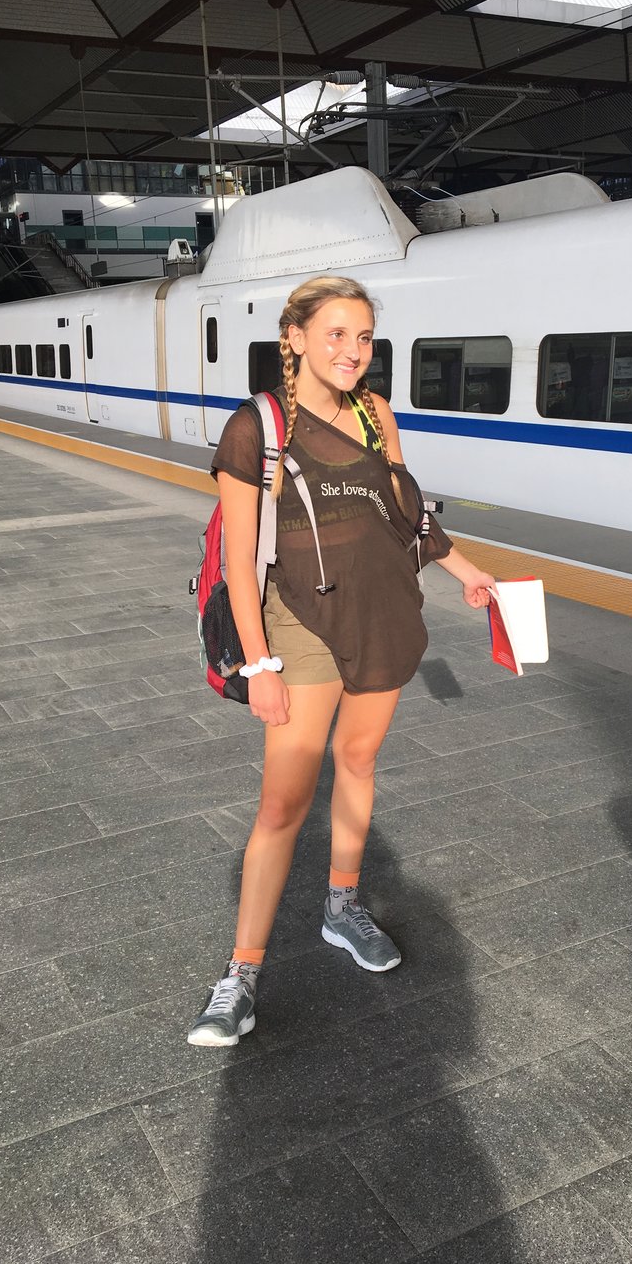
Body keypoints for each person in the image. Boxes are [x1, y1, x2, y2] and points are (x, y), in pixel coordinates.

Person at [187, 275, 495, 1047]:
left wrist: (468, 573)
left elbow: (407, 516)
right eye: (336, 334)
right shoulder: (257, 427)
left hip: (381, 614)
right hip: (301, 625)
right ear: (294, 337)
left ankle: (342, 907)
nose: (353, 351)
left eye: (364, 337)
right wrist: (259, 665)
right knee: (283, 804)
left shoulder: (374, 412)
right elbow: (238, 561)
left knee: (357, 760)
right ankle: (241, 975)